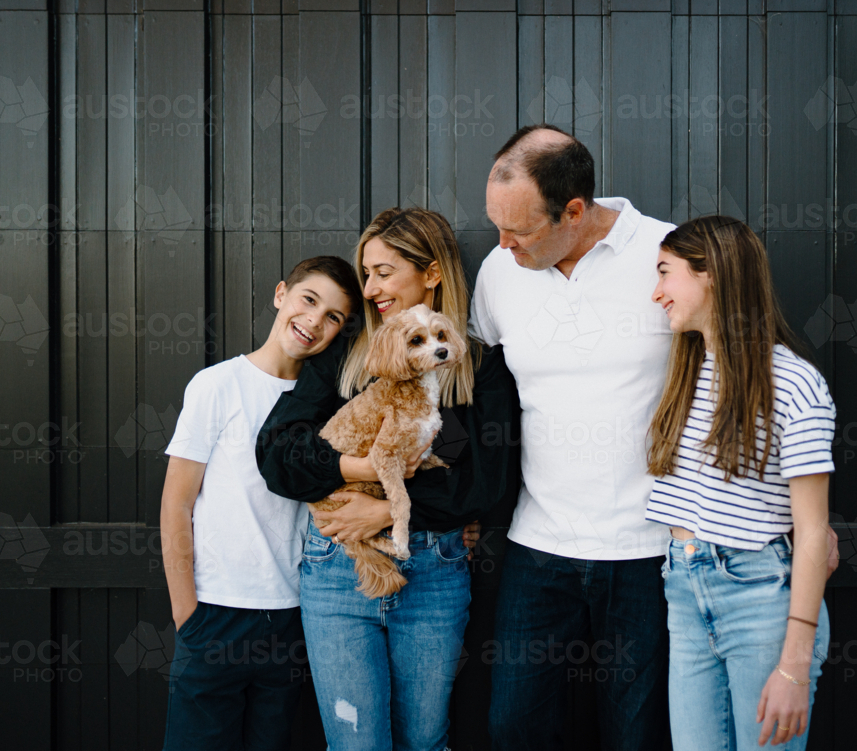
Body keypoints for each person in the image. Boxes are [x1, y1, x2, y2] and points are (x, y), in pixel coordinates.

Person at [255, 207, 518, 751]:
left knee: (426, 741)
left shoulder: (476, 367)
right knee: (356, 744)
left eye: (383, 271)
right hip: (340, 568)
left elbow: (488, 483)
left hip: (435, 570)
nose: (369, 286)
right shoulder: (350, 357)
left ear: (432, 273)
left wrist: (393, 509)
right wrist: (357, 470)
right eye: (366, 272)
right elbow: (278, 452)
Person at [470, 124, 677, 750]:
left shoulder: (670, 254)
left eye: (519, 231)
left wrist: (800, 511)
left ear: (575, 211)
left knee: (637, 735)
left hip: (652, 549)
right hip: (539, 549)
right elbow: (476, 399)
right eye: (495, 226)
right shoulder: (497, 273)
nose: (502, 245)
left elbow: (741, 380)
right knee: (514, 728)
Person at [645, 215, 834, 750]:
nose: (656, 293)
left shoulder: (794, 383)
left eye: (665, 273)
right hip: (683, 589)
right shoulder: (686, 371)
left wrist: (794, 666)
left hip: (762, 600)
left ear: (710, 275)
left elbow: (814, 532)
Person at [160, 256, 364, 751]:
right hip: (216, 613)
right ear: (280, 295)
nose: (314, 321)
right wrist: (188, 613)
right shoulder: (217, 385)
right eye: (308, 300)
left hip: (295, 614)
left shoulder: (332, 403)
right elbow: (176, 505)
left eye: (333, 316)